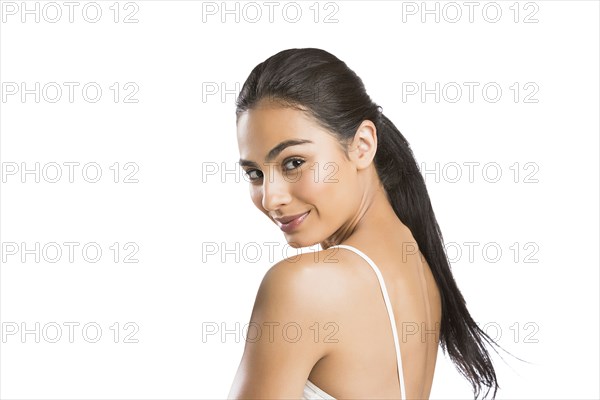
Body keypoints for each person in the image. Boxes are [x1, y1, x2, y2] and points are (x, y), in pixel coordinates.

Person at [228, 48, 502, 399]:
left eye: (293, 162)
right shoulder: (417, 264)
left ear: (362, 145)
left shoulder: (301, 286)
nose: (271, 198)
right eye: (255, 173)